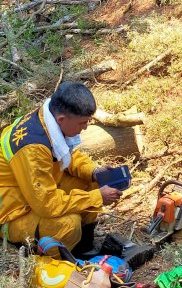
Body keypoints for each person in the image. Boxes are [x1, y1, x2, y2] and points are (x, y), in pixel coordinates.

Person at [0, 82, 122, 255]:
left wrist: (93, 171)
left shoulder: (48, 118)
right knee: (68, 225)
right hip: (13, 213)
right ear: (62, 120)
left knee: (93, 182)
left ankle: (83, 248)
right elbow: (46, 204)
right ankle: (57, 260)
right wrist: (97, 197)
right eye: (82, 123)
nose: (86, 127)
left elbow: (68, 155)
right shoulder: (34, 148)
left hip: (32, 194)